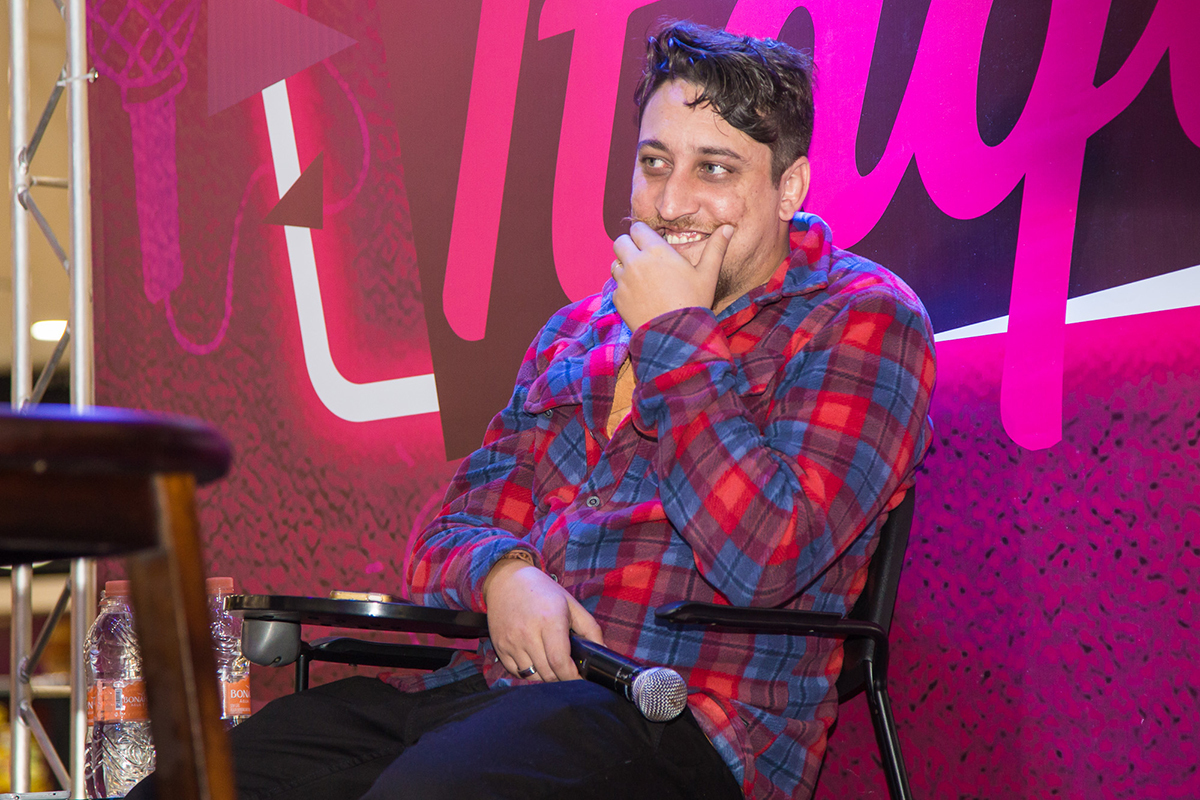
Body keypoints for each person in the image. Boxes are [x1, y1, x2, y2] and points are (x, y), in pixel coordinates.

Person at [129, 19, 935, 800]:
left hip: (682, 718)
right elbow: (444, 537)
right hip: (488, 698)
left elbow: (766, 560)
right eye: (654, 162)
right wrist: (505, 576)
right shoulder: (580, 332)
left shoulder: (862, 318)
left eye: (714, 170)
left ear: (789, 187)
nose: (671, 201)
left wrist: (673, 334)